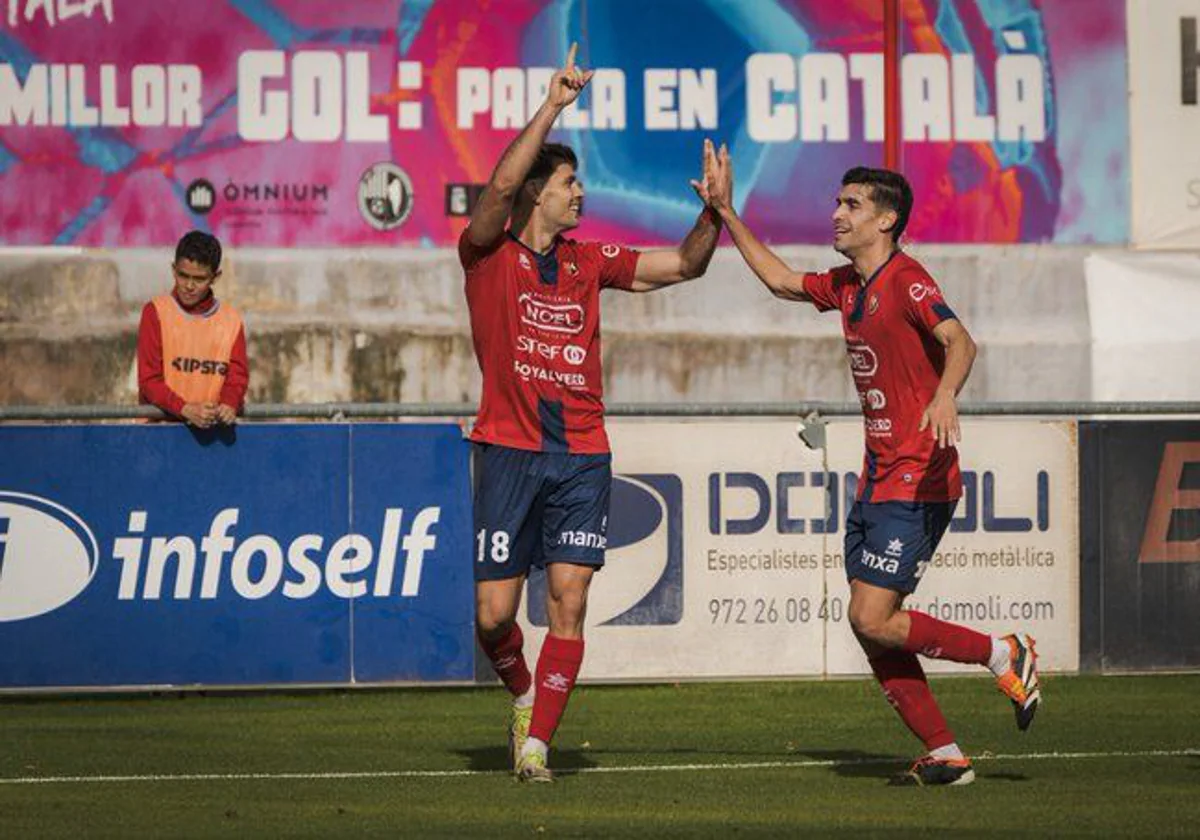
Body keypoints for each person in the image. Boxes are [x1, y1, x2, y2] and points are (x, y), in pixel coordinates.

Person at [703, 149, 1040, 787]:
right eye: (838, 202)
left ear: (885, 220)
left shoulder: (908, 280)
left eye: (851, 205)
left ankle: (1006, 652)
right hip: (879, 478)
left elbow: (961, 341)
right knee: (874, 631)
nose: (837, 214)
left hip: (920, 477)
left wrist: (945, 394)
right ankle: (946, 755)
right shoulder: (849, 285)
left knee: (872, 618)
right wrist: (724, 212)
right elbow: (780, 281)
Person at [461, 45, 721, 782]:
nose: (581, 195)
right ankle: (521, 694)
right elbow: (501, 182)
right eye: (570, 183)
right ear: (536, 193)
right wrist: (553, 107)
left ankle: (538, 745)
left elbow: (685, 265)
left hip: (581, 453)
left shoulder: (590, 260)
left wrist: (713, 213)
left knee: (568, 602)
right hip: (507, 450)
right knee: (492, 619)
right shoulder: (487, 253)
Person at [137, 230, 248, 428]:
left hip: (213, 434)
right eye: (183, 275)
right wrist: (185, 409)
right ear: (173, 269)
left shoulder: (231, 320)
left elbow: (237, 377)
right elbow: (149, 380)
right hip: (161, 432)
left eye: (199, 279)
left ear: (215, 277)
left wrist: (229, 403)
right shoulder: (155, 312)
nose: (189, 285)